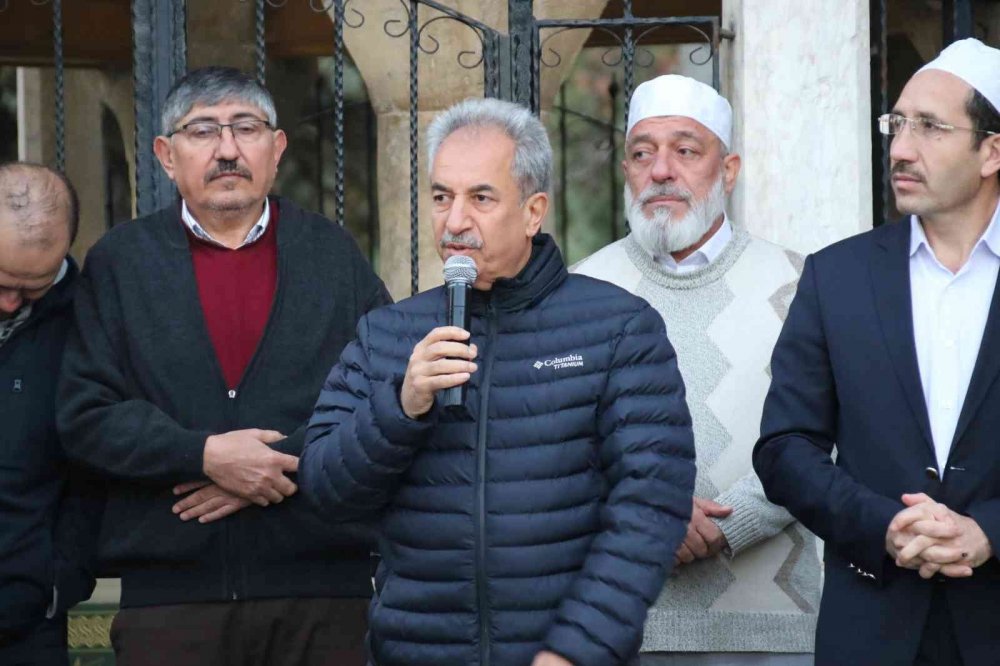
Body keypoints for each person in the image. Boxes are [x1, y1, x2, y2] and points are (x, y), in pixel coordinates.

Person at [299, 97, 696, 666]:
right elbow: (325, 490)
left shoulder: (618, 328)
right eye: (442, 197)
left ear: (533, 212)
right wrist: (401, 406)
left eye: (481, 198)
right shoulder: (387, 334)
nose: (455, 221)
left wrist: (576, 650)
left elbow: (649, 507)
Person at [57, 67, 391, 666]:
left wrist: (274, 464)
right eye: (204, 130)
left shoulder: (333, 256)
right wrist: (204, 455)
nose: (228, 149)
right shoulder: (120, 264)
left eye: (246, 128)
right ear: (166, 155)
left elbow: (383, 396)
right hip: (171, 605)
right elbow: (85, 416)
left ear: (277, 148)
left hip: (323, 595)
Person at [754, 38, 1000, 666]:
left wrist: (989, 532)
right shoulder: (837, 276)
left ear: (991, 152)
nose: (900, 149)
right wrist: (882, 525)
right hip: (872, 630)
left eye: (931, 127)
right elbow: (785, 447)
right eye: (897, 124)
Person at [574, 74, 819, 665]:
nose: (661, 170)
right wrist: (654, 515)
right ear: (626, 172)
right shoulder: (579, 291)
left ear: (728, 171)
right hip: (615, 629)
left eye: (685, 150)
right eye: (642, 154)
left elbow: (824, 438)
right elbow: (551, 446)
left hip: (774, 633)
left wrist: (730, 524)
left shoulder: (802, 283)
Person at [0, 162, 97, 666]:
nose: (9, 301)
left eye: (31, 286)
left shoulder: (89, 324)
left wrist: (60, 580)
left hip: (28, 620)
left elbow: (97, 461)